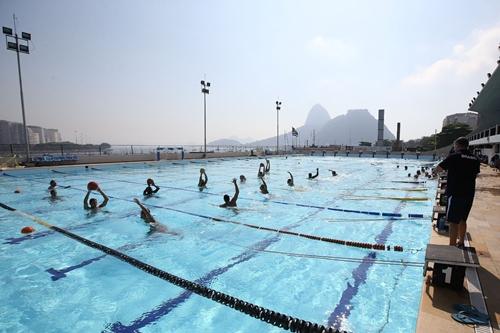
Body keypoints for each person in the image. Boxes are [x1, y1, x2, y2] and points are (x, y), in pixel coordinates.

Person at [433, 137, 480, 247]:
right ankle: (461, 242)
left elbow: (438, 169)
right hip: (469, 193)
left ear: (457, 145)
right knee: (463, 219)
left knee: (453, 222)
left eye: (455, 145)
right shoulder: (475, 158)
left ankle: (452, 246)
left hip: (456, 192)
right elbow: (476, 174)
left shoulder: (454, 156)